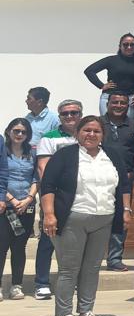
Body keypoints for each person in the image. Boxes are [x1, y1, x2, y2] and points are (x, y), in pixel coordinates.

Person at [38, 116, 131, 316]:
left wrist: (126, 210)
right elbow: (48, 185)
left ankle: (85, 312)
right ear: (77, 133)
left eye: (96, 131)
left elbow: (124, 185)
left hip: (104, 218)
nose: (91, 134)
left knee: (92, 268)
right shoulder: (65, 155)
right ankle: (64, 315)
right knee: (69, 269)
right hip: (73, 219)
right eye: (87, 130)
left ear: (103, 135)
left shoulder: (112, 155)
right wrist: (49, 214)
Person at [31, 99, 88, 300]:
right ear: (59, 116)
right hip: (57, 197)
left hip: (83, 197)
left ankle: (73, 281)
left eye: (74, 112)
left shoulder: (87, 136)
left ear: (81, 114)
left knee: (76, 242)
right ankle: (42, 283)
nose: (70, 116)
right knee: (48, 239)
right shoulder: (49, 138)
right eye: (65, 113)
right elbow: (43, 169)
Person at [99, 90, 134, 272]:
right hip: (98, 178)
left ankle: (114, 259)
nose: (119, 106)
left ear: (128, 106)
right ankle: (93, 258)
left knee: (121, 219)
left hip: (125, 180)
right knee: (97, 216)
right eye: (115, 102)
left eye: (123, 103)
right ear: (107, 104)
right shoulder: (97, 124)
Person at [0, 118, 38, 299]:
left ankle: (16, 285)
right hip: (6, 206)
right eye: (16, 131)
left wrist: (29, 199)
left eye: (24, 132)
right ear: (9, 131)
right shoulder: (3, 151)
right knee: (1, 247)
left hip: (26, 207)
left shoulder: (32, 152)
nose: (20, 134)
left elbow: (36, 178)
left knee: (19, 247)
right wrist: (13, 200)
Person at [83, 33, 134, 116]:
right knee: (106, 123)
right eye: (125, 44)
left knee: (128, 124)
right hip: (110, 97)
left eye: (132, 45)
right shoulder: (111, 60)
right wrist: (101, 85)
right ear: (120, 46)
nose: (129, 47)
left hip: (130, 99)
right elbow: (89, 71)